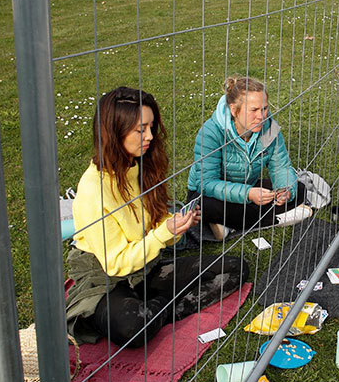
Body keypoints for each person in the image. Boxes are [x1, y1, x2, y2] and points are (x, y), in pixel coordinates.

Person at [66, 86, 248, 347]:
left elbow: (157, 226)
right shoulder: (93, 189)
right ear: (114, 131)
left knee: (234, 268)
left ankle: (155, 311)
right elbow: (115, 263)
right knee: (133, 328)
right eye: (141, 129)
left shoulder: (141, 165)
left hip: (146, 267)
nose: (150, 136)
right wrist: (165, 233)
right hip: (106, 278)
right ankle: (145, 311)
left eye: (151, 127)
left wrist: (176, 227)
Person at [187, 76, 311, 241]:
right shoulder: (211, 132)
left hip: (247, 188)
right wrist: (247, 194)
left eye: (265, 108)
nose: (261, 116)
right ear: (234, 110)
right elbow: (207, 183)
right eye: (254, 110)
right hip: (209, 195)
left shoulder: (268, 128)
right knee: (205, 207)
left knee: (299, 189)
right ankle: (275, 220)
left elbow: (281, 166)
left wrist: (285, 190)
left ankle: (229, 225)